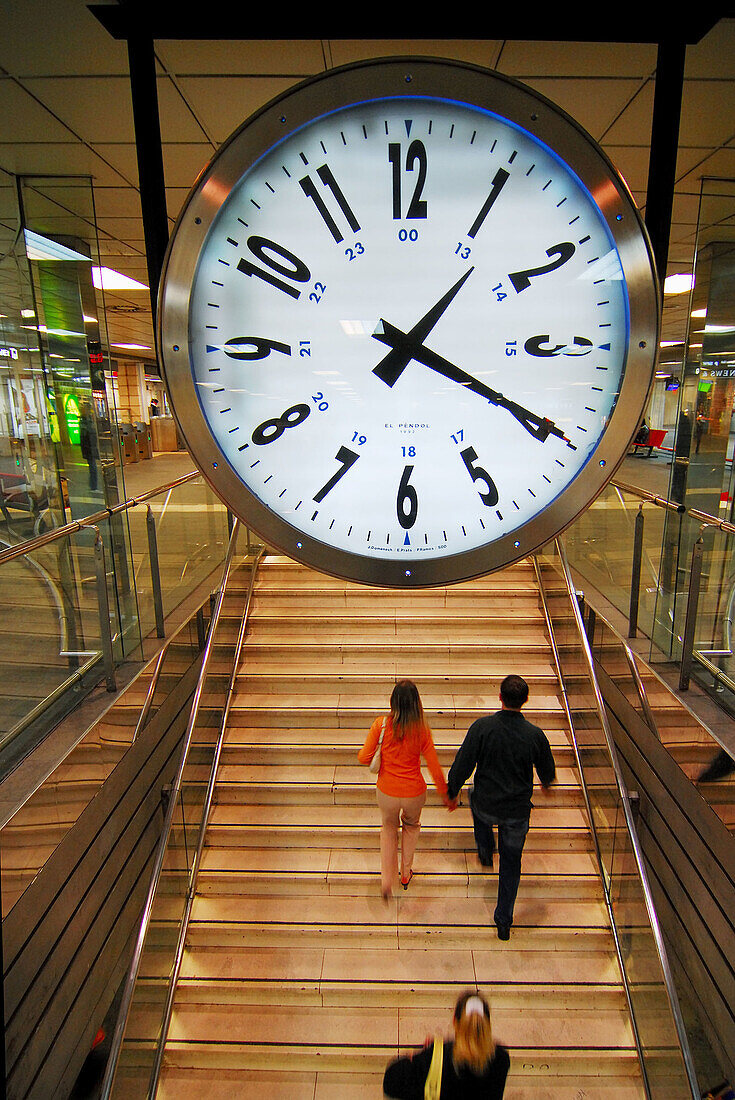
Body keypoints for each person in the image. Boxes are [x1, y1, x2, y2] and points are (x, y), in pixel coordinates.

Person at [447, 674, 556, 940]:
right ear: (525, 701)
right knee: (511, 862)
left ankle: (485, 849)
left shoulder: (482, 728)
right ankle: (504, 921)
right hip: (516, 812)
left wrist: (452, 791)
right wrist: (545, 784)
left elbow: (464, 763)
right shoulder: (535, 735)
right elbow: (547, 772)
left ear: (500, 697)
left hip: (486, 801)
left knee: (473, 797)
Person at [358, 679, 451, 900]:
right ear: (417, 703)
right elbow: (435, 768)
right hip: (414, 792)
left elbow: (363, 757)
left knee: (389, 828)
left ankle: (386, 881)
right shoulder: (422, 730)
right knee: (411, 827)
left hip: (387, 791)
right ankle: (406, 874)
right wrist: (446, 794)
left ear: (393, 702)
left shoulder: (380, 725)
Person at [383, 990, 509, 1099]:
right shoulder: (501, 1059)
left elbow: (391, 1083)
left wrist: (413, 1056)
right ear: (487, 1024)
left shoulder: (438, 1056)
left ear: (455, 1021)